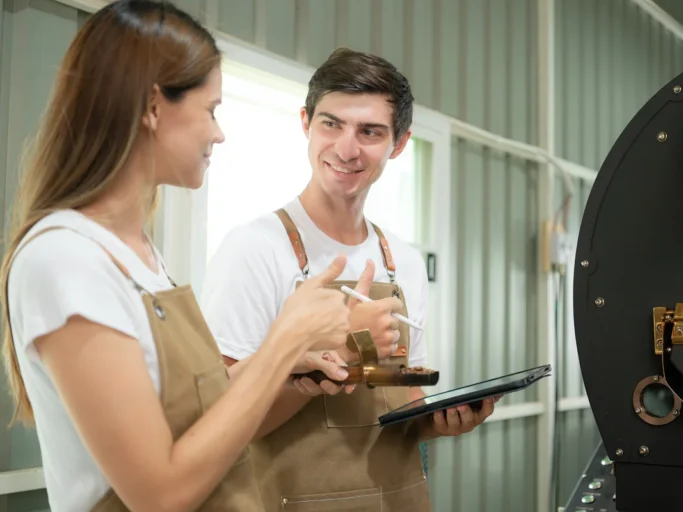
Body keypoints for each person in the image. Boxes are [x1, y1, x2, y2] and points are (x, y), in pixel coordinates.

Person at [0, 2, 354, 511]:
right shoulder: (65, 258)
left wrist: (284, 367)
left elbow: (180, 406)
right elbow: (159, 495)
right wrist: (285, 339)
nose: (219, 132)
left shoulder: (139, 253)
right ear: (152, 106)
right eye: (211, 109)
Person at [200, 47, 498, 511]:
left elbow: (404, 400)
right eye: (331, 123)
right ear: (305, 123)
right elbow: (220, 420)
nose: (345, 148)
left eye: (370, 132)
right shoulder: (254, 248)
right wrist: (336, 356)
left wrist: (436, 420)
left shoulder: (404, 261)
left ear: (399, 144)